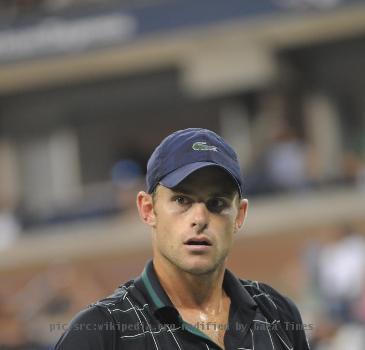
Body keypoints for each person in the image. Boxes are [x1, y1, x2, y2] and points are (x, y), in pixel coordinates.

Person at [55, 128, 310, 350]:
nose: (199, 218)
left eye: (217, 203)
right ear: (148, 209)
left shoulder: (277, 313)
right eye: (182, 200)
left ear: (239, 216)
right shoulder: (100, 333)